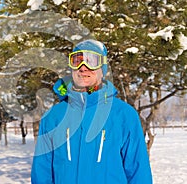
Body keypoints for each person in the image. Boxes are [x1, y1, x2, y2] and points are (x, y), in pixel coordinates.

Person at [31, 39, 152, 184]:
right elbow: (42, 172)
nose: (83, 68)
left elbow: (138, 172)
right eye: (77, 61)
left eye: (91, 61)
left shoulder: (124, 115)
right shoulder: (53, 117)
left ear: (103, 68)